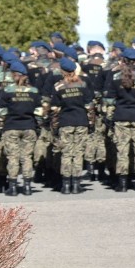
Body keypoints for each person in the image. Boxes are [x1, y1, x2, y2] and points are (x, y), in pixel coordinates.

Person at [105, 47, 135, 192]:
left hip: (121, 117)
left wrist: (109, 119)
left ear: (123, 60)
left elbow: (109, 101)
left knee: (122, 150)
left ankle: (123, 183)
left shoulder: (115, 77)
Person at [0, 61, 41, 196]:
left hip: (11, 127)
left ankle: (13, 187)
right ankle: (27, 186)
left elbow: (1, 111)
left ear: (13, 75)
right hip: (29, 127)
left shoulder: (7, 91)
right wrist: (38, 125)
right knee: (27, 157)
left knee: (13, 157)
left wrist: (0, 125)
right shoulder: (33, 91)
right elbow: (39, 111)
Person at [51, 57, 95, 194]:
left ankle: (65, 185)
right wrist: (91, 123)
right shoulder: (83, 85)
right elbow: (89, 106)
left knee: (66, 153)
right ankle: (76, 184)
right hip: (81, 122)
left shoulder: (58, 87)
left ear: (62, 71)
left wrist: (54, 127)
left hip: (65, 122)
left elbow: (55, 109)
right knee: (78, 153)